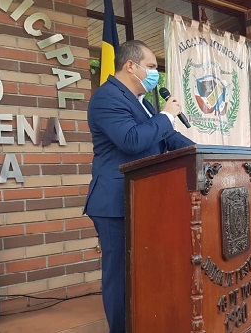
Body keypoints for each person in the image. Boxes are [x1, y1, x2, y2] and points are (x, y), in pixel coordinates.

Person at [84, 40, 194, 333]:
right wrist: (167, 116)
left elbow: (166, 139)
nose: (156, 74)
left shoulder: (144, 103)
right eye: (152, 67)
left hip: (145, 199)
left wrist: (202, 152)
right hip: (115, 203)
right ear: (130, 66)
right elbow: (131, 140)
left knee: (146, 271)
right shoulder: (106, 97)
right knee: (120, 276)